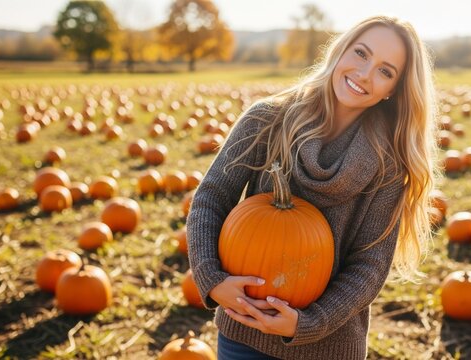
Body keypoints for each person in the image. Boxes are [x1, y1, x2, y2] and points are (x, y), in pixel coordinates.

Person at [186, 15, 437, 360]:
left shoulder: (388, 166)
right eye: (361, 54)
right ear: (341, 50)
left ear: (392, 90)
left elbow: (369, 265)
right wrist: (211, 279)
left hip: (329, 345)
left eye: (385, 71)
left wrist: (307, 323)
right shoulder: (267, 121)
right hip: (244, 329)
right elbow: (211, 198)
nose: (364, 73)